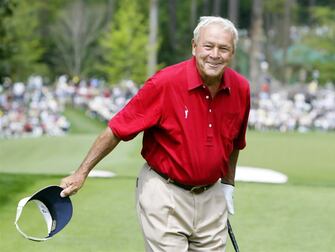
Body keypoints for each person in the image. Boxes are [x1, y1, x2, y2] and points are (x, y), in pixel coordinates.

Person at [60, 16, 250, 251]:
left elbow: (234, 143)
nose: (215, 54)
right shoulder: (165, 83)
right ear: (194, 47)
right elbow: (116, 130)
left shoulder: (241, 88)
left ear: (232, 53)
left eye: (224, 48)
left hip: (211, 197)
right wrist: (82, 173)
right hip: (165, 194)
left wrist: (228, 185)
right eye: (208, 46)